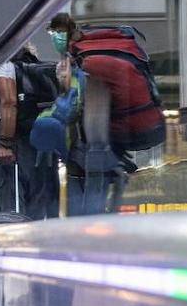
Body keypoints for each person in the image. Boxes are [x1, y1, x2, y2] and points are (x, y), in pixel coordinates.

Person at [47, 12, 135, 216]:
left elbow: (76, 110)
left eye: (58, 32)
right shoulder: (73, 61)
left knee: (87, 220)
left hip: (93, 153)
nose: (55, 37)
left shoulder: (86, 64)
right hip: (86, 156)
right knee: (86, 219)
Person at [0, 42, 59, 220]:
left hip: (7, 133)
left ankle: (14, 243)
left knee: (8, 196)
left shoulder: (1, 65)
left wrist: (4, 143)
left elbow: (8, 101)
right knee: (34, 198)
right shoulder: (32, 70)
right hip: (35, 138)